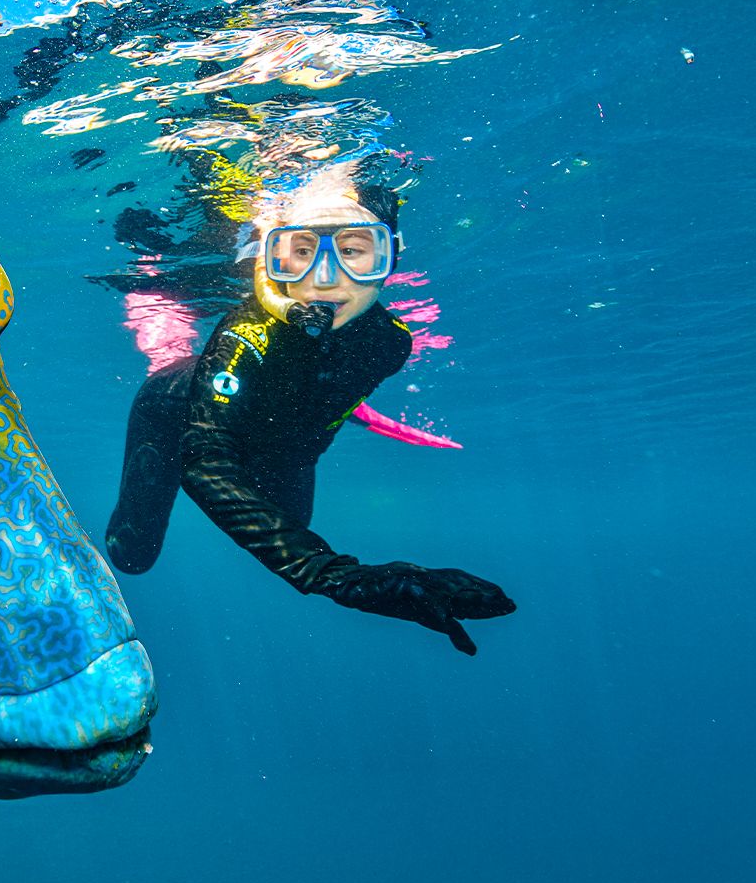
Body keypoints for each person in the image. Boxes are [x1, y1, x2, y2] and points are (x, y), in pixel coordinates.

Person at [104, 170, 515, 655]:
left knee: (293, 523)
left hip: (286, 447)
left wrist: (353, 411)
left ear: (389, 259)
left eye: (355, 250)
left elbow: (326, 383)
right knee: (132, 557)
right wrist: (334, 575)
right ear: (271, 260)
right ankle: (168, 358)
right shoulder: (245, 335)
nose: (324, 279)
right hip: (175, 415)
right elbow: (208, 462)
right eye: (301, 252)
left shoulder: (391, 344)